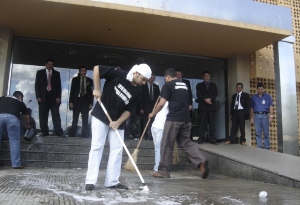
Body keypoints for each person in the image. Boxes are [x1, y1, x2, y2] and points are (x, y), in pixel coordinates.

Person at [85, 64, 152, 191]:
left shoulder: (138, 91)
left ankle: (112, 181)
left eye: (146, 81)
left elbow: (129, 110)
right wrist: (97, 89)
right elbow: (96, 69)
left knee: (117, 150)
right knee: (97, 146)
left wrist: (118, 121)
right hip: (101, 115)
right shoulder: (118, 74)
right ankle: (90, 181)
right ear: (136, 73)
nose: (144, 83)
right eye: (143, 79)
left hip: (118, 120)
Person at [149, 68, 209, 179]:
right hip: (186, 119)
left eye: (165, 78)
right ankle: (201, 161)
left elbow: (162, 103)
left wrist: (152, 113)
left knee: (166, 144)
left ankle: (163, 171)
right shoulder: (184, 86)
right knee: (186, 143)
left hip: (173, 119)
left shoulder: (168, 85)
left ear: (167, 77)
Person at [35, 58, 64, 137]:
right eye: (49, 64)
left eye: (52, 64)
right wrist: (38, 96)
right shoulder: (40, 73)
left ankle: (59, 132)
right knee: (43, 115)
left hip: (54, 97)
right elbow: (37, 85)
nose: (50, 66)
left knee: (56, 115)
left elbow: (59, 86)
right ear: (45, 64)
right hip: (43, 97)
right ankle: (44, 131)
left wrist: (58, 97)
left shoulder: (57, 73)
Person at [0, 91, 29, 169]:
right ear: (20, 97)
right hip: (12, 118)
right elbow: (26, 116)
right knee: (14, 141)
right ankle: (16, 164)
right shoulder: (20, 102)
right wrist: (27, 125)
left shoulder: (3, 98)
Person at [69, 66, 94, 138]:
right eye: (82, 70)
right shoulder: (75, 80)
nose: (83, 72)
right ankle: (72, 133)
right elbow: (72, 91)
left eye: (85, 70)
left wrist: (91, 103)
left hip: (86, 100)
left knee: (85, 118)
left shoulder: (90, 80)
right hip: (77, 100)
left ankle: (85, 134)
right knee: (75, 117)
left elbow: (91, 93)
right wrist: (71, 102)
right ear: (79, 71)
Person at [196, 71, 218, 145]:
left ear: (210, 77)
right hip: (203, 106)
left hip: (212, 106)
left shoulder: (213, 85)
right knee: (202, 123)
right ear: (203, 77)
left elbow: (215, 94)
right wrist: (205, 99)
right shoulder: (199, 85)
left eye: (208, 76)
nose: (206, 77)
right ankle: (201, 138)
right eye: (205, 76)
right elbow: (199, 94)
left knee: (212, 123)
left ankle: (212, 139)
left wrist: (210, 99)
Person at [250, 83, 274, 150]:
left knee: (266, 132)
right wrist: (251, 117)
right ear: (257, 89)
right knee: (258, 132)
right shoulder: (253, 97)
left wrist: (271, 116)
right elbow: (251, 108)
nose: (260, 90)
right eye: (259, 89)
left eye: (261, 89)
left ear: (264, 89)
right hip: (256, 115)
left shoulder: (268, 96)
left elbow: (271, 106)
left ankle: (267, 147)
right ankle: (259, 147)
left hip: (265, 115)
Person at [139, 74, 160, 140]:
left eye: (153, 78)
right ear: (148, 78)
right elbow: (140, 98)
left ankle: (151, 136)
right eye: (151, 78)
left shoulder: (156, 87)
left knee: (153, 123)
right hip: (145, 109)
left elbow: (158, 99)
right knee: (145, 123)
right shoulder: (143, 86)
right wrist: (141, 108)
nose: (152, 79)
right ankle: (144, 136)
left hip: (154, 109)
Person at [151, 101, 168, 172]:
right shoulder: (167, 103)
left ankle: (157, 166)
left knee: (157, 148)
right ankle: (157, 167)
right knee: (159, 148)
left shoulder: (162, 103)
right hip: (159, 128)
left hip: (155, 127)